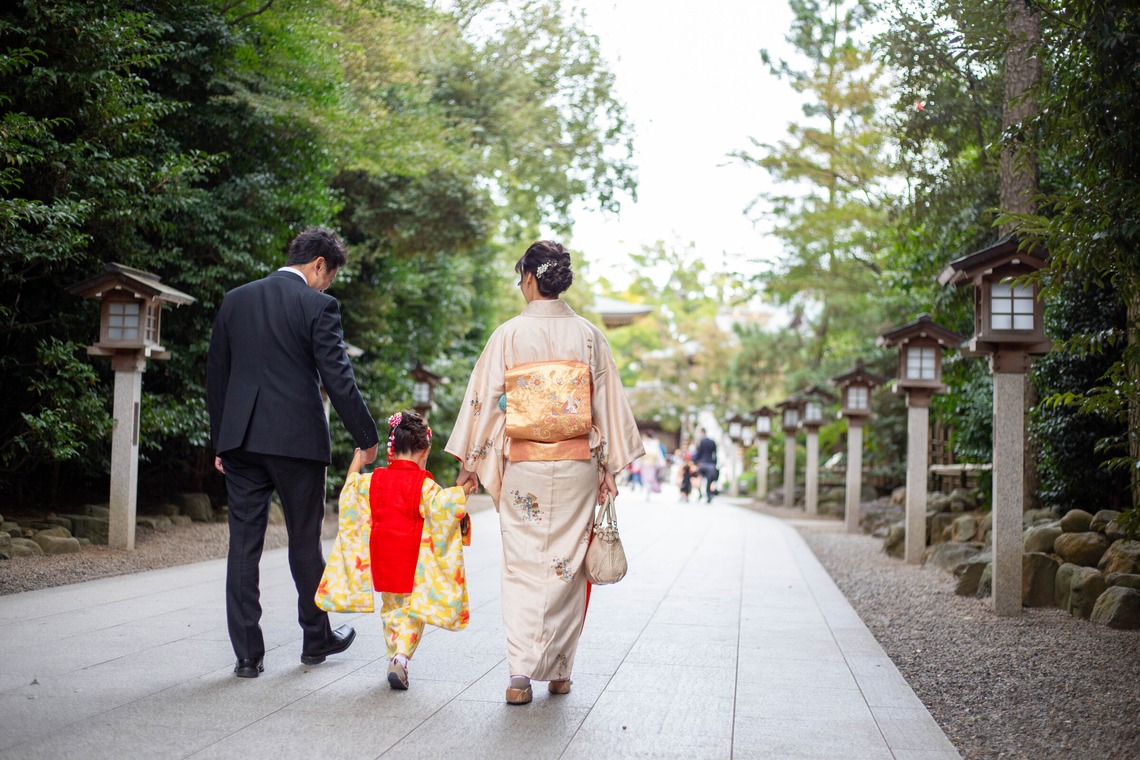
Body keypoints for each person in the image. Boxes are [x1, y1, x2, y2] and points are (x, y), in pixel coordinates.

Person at [445, 240, 643, 705]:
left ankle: (519, 675)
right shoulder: (590, 335)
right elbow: (606, 406)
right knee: (567, 567)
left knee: (522, 566)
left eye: (520, 279)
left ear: (531, 278)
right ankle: (558, 671)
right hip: (576, 466)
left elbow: (484, 404)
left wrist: (472, 465)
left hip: (525, 467)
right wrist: (608, 467)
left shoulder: (508, 335)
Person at [207, 227, 380, 679]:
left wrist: (220, 441)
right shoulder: (317, 305)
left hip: (241, 441)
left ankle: (248, 655)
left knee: (243, 546)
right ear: (319, 264)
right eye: (330, 277)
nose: (328, 286)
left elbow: (217, 377)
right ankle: (315, 638)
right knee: (304, 541)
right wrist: (366, 436)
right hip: (296, 443)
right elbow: (338, 379)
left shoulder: (235, 299)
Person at [337, 411, 475, 691]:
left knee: (391, 609)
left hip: (383, 557)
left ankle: (393, 657)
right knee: (412, 612)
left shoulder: (374, 479)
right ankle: (400, 658)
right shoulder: (423, 485)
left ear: (392, 449)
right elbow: (445, 506)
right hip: (412, 560)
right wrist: (465, 491)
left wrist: (359, 458)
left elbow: (350, 487)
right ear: (424, 451)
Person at [692, 427, 719, 502]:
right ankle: (709, 494)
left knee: (698, 477)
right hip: (711, 464)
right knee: (709, 480)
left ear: (701, 432)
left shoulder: (702, 441)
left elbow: (698, 452)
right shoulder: (712, 442)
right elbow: (715, 454)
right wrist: (714, 463)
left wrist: (693, 460)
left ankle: (700, 493)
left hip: (702, 464)